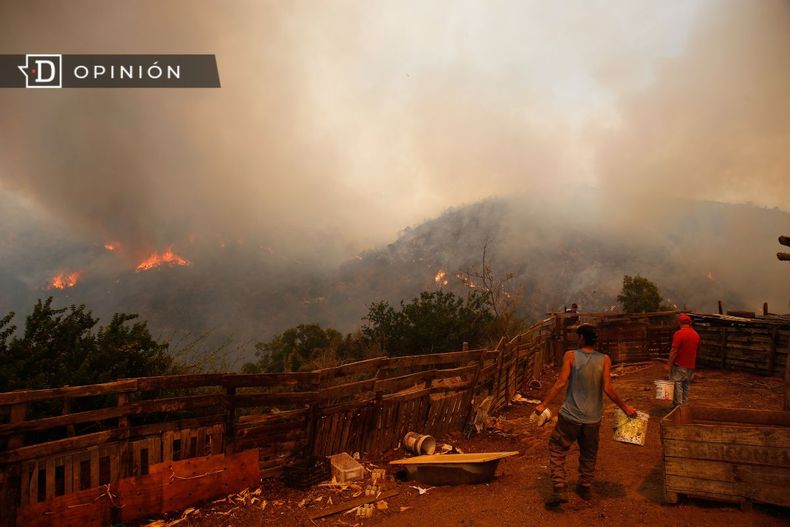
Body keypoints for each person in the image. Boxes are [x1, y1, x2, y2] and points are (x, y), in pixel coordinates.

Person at [534, 324, 637, 506]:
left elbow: (560, 382)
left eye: (577, 336)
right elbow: (608, 388)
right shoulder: (605, 359)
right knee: (589, 453)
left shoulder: (571, 356)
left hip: (570, 416)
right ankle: (585, 486)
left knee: (557, 449)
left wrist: (543, 404)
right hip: (592, 418)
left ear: (581, 338)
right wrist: (625, 407)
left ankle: (559, 487)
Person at [664, 314, 700, 407]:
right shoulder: (696, 335)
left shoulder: (679, 334)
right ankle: (685, 405)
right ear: (690, 322)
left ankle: (678, 407)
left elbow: (674, 350)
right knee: (686, 385)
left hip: (679, 364)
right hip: (691, 365)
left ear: (679, 322)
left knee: (677, 385)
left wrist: (669, 364)